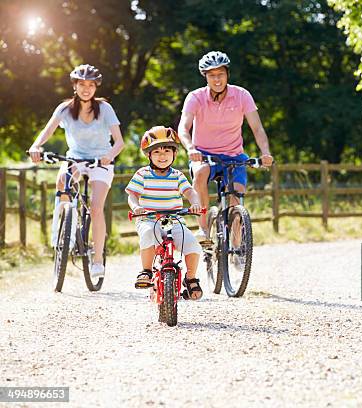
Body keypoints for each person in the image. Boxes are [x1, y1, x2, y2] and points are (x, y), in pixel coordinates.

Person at [28, 64, 124, 279]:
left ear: (96, 87)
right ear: (75, 86)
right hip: (76, 158)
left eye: (91, 85)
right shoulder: (64, 109)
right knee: (63, 179)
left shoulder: (105, 109)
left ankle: (97, 259)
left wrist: (109, 155)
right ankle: (65, 229)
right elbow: (48, 130)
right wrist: (36, 146)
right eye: (82, 84)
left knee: (96, 208)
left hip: (101, 160)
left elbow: (119, 142)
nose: (86, 89)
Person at [177, 51, 273, 244]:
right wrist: (190, 148)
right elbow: (183, 127)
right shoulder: (195, 97)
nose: (217, 79)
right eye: (212, 75)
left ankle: (237, 246)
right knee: (201, 172)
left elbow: (257, 128)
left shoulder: (242, 95)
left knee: (236, 195)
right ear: (205, 77)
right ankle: (203, 228)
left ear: (227, 74)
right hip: (203, 155)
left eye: (220, 74)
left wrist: (265, 153)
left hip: (234, 155)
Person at [125, 126, 203, 300]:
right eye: (157, 152)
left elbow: (190, 192)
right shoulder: (142, 174)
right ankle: (146, 271)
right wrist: (136, 207)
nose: (162, 156)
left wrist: (195, 203)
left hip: (174, 220)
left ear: (174, 153)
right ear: (149, 155)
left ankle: (190, 278)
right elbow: (132, 195)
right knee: (147, 234)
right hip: (149, 219)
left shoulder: (177, 175)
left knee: (192, 244)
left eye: (167, 150)